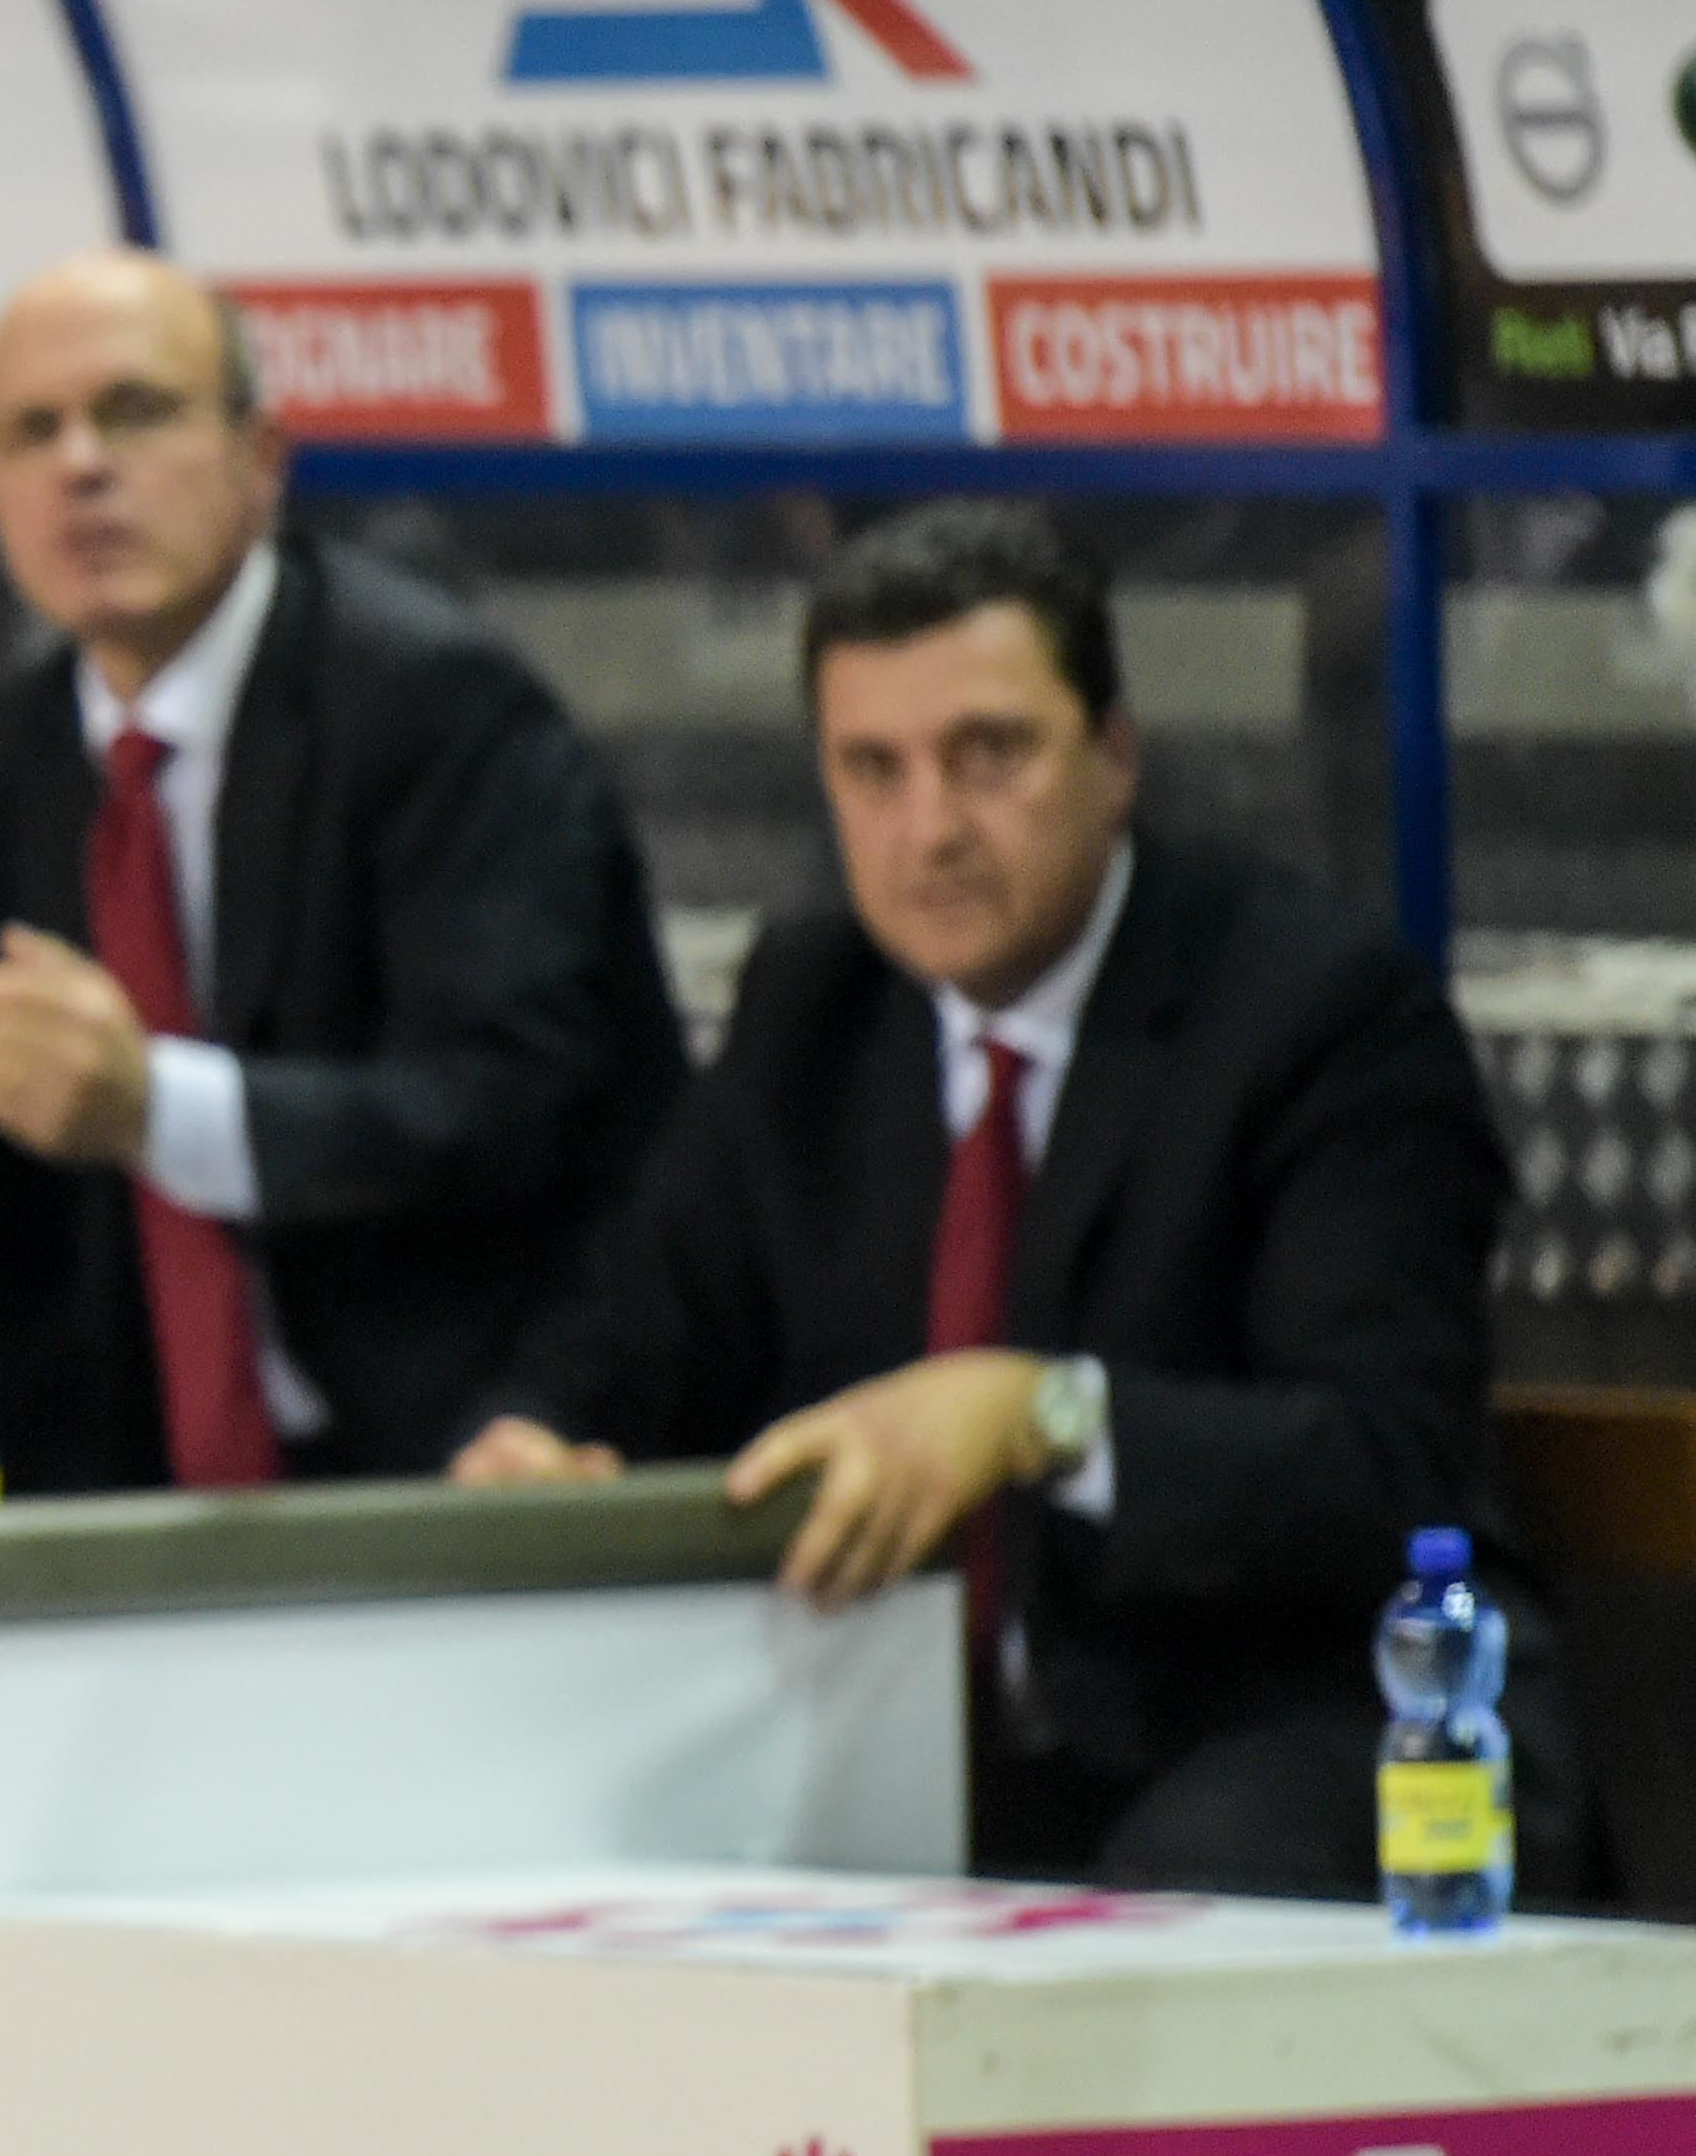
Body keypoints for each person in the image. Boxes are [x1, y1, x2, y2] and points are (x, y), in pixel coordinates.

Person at [454, 501, 1566, 1896]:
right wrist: (536, 1444)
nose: (929, 829)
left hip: (1313, 1714)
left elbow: (1377, 1464)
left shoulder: (1317, 1009)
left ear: (1114, 756)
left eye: (988, 757)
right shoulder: (814, 1005)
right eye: (873, 770)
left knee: (1181, 1869)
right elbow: (627, 1334)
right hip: (924, 1739)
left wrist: (1040, 1415)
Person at [0, 251, 681, 1489]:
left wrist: (151, 1108)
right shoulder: (3, 760)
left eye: (133, 412)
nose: (81, 465)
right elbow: (15, 1194)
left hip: (467, 1450)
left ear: (261, 456)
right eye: (33, 432)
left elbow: (503, 1108)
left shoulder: (437, 711)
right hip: (142, 1482)